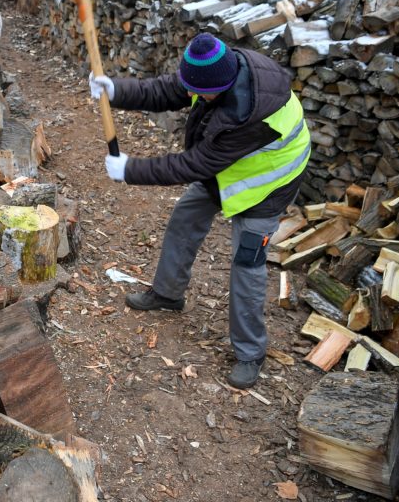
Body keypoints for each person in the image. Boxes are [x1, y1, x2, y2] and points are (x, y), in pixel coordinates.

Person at [89, 32, 310, 389]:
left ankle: (250, 352)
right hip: (229, 168)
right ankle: (167, 294)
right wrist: (117, 90)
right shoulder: (215, 67)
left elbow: (194, 164)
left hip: (269, 183)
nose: (195, 97)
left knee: (246, 265)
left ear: (221, 86)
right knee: (185, 218)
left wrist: (131, 170)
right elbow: (168, 90)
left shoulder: (249, 117)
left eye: (201, 94)